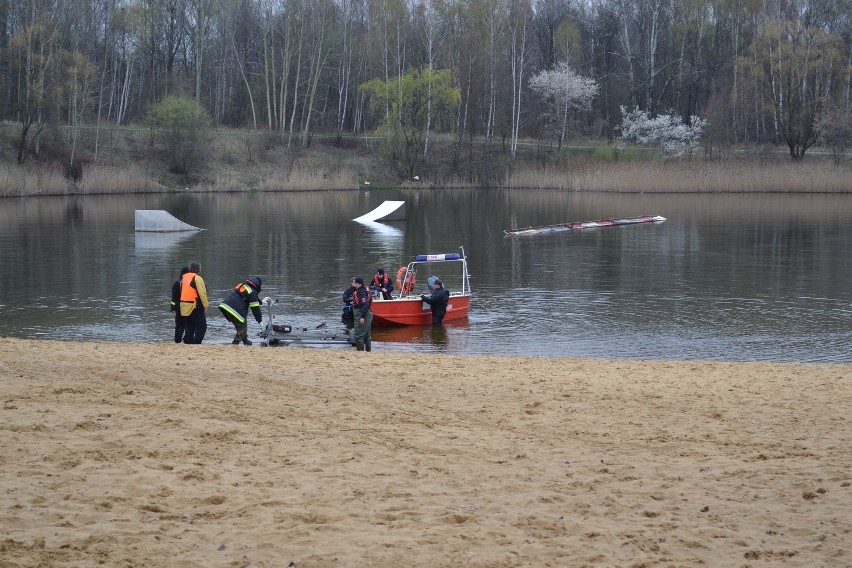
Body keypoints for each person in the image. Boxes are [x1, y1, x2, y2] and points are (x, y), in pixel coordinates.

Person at [218, 276, 263, 346]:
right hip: (235, 309)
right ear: (258, 285)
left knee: (240, 326)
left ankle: (246, 341)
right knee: (243, 327)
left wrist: (261, 302)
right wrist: (260, 321)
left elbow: (252, 298)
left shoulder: (245, 286)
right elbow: (255, 309)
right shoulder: (251, 291)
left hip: (226, 306)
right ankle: (235, 342)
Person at [179, 261, 209, 344]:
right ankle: (197, 343)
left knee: (189, 326)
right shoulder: (197, 278)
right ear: (198, 270)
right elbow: (202, 293)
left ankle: (188, 342)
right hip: (195, 306)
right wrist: (206, 305)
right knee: (202, 326)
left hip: (184, 306)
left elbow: (181, 291)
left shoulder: (183, 278)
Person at [351, 277, 373, 351]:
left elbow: (366, 304)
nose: (354, 285)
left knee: (358, 335)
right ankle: (368, 351)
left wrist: (362, 317)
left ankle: (360, 351)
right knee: (367, 335)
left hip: (362, 314)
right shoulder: (362, 289)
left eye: (356, 283)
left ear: (359, 284)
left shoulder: (362, 292)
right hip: (367, 312)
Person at [170, 266, 189, 343]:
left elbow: (174, 296)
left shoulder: (177, 281)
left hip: (176, 306)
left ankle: (177, 339)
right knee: (183, 324)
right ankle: (179, 339)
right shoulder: (183, 282)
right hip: (182, 305)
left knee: (178, 324)